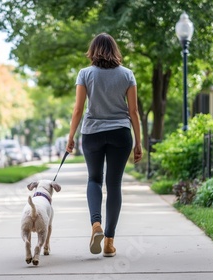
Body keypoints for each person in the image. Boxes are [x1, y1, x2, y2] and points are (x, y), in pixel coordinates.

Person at [66, 33, 142, 257]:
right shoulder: (127, 74)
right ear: (115, 50)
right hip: (120, 134)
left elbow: (78, 109)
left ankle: (95, 225)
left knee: (94, 179)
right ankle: (109, 242)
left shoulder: (85, 74)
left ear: (93, 50)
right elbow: (134, 112)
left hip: (92, 134)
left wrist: (70, 137)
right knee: (114, 185)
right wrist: (139, 142)